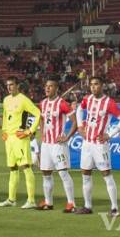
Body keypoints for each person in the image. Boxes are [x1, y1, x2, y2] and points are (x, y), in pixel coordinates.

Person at [74, 76, 120, 216]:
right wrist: (80, 126)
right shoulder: (88, 99)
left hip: (100, 145)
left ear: (102, 86)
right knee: (85, 174)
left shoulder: (109, 103)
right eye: (91, 84)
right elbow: (79, 109)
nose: (93, 87)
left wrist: (110, 134)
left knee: (106, 175)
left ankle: (115, 209)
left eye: (96, 84)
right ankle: (87, 206)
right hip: (87, 143)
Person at [0, 77, 41, 209]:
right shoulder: (6, 100)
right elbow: (5, 115)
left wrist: (29, 131)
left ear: (17, 86)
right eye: (8, 85)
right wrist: (4, 129)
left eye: (11, 84)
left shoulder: (23, 99)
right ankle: (11, 199)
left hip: (20, 138)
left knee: (26, 167)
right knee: (13, 168)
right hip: (9, 139)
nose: (9, 87)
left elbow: (37, 113)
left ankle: (31, 200)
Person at [37, 78, 76, 211]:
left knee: (63, 173)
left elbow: (75, 122)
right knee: (46, 172)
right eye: (46, 86)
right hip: (46, 144)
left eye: (51, 86)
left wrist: (67, 136)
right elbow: (41, 119)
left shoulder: (62, 104)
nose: (47, 88)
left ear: (56, 88)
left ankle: (71, 203)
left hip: (58, 145)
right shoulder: (42, 103)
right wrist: (42, 133)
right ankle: (48, 202)